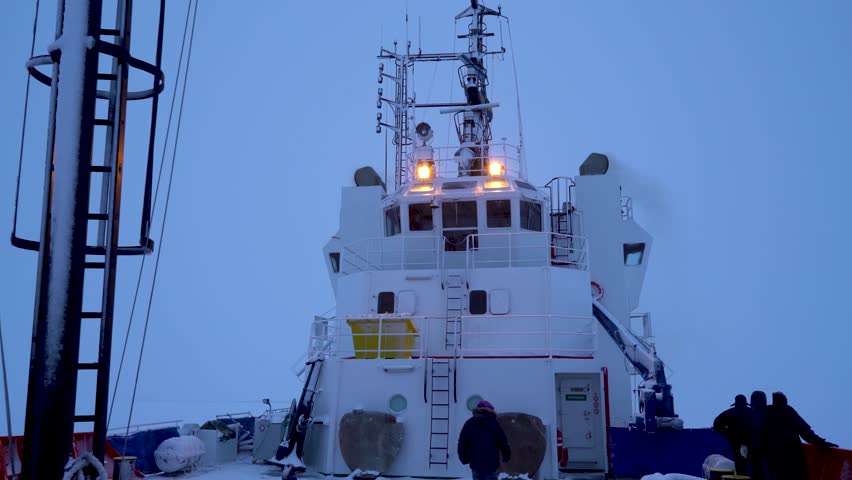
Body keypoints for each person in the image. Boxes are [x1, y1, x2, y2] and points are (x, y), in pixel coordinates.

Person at [764, 391, 837, 480]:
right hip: (792, 456)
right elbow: (806, 432)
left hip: (771, 459)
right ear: (784, 401)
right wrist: (822, 443)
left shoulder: (766, 412)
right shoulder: (787, 410)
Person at [457, 400, 512, 480]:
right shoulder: (494, 424)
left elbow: (462, 442)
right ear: (490, 411)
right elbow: (503, 441)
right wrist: (506, 455)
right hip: (491, 466)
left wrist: (463, 458)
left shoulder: (469, 423)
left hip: (476, 465)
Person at [713, 394, 750, 474]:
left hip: (735, 443)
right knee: (755, 466)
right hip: (751, 443)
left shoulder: (729, 413)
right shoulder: (751, 412)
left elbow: (716, 423)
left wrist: (726, 432)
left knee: (739, 465)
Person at [746, 390, 770, 480]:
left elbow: (746, 429)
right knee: (771, 469)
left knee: (756, 469)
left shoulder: (749, 413)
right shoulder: (769, 412)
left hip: (753, 446)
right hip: (768, 446)